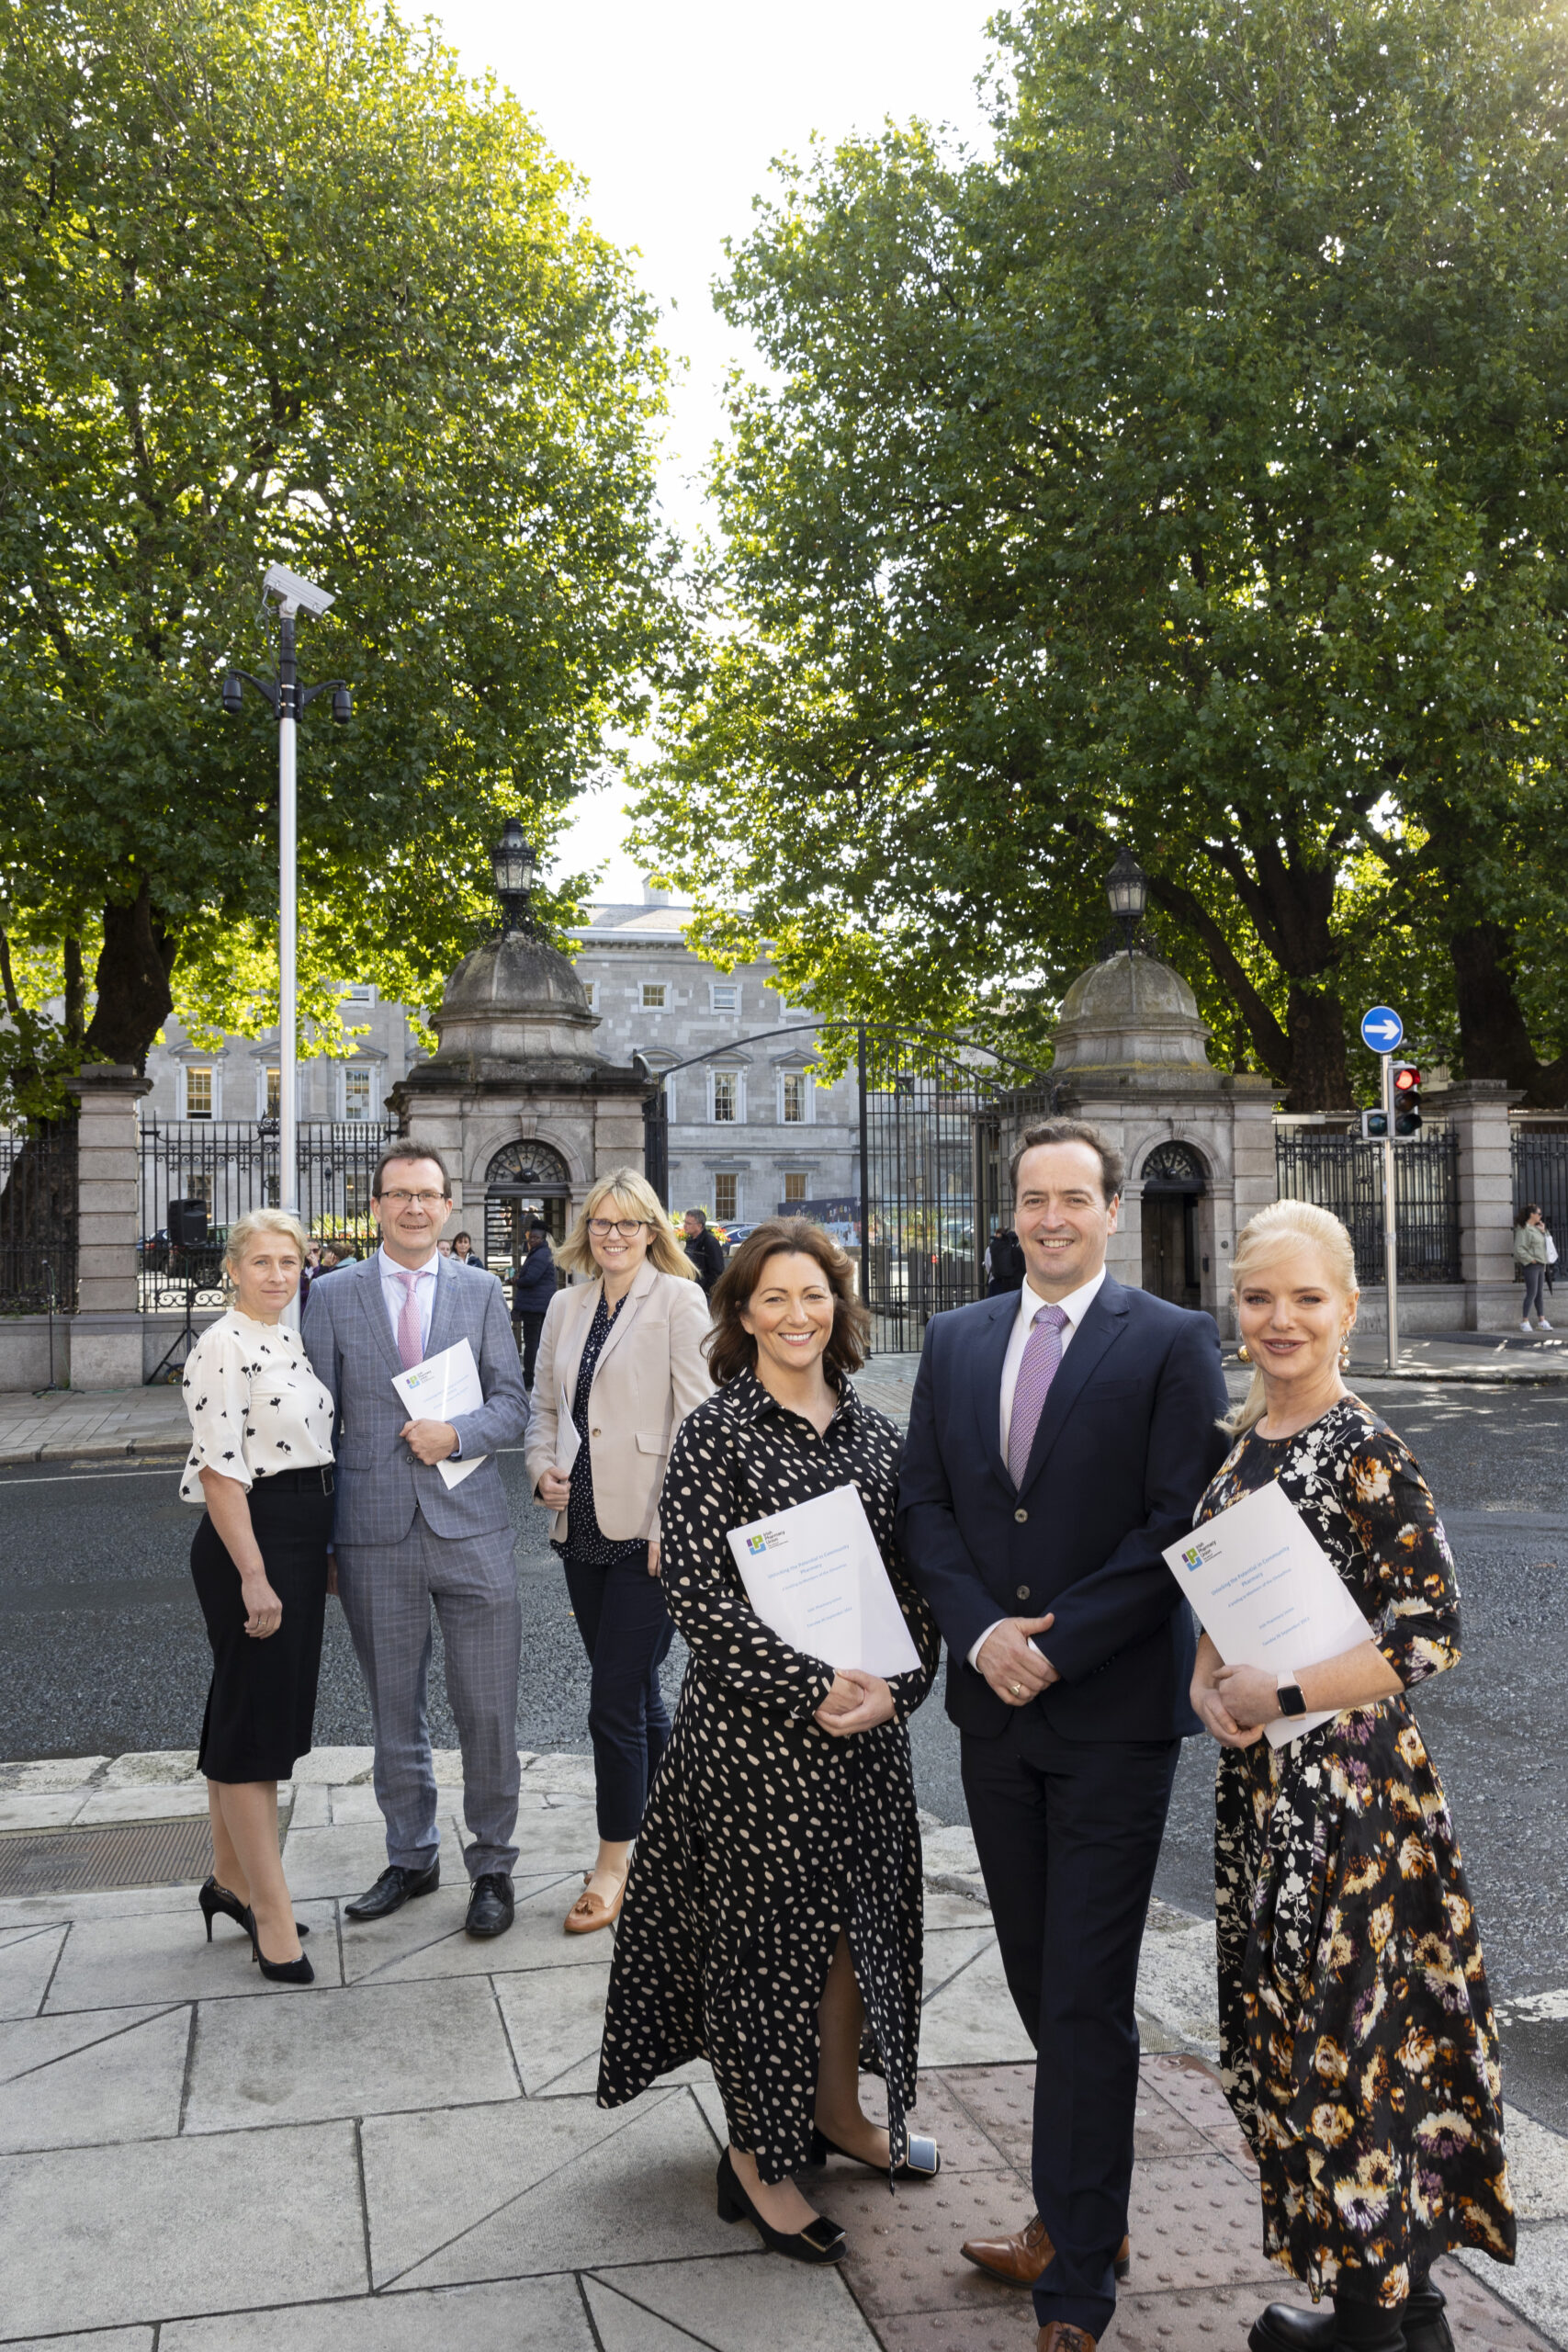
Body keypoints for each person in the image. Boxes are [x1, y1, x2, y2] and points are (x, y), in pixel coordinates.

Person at [896, 1117, 1230, 2352]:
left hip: (1106, 1720)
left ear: (1108, 1209)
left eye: (1070, 1198)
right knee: (1039, 1981)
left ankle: (1074, 2277)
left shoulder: (1170, 1342)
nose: (1047, 1217)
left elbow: (1174, 1524)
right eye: (1030, 1198)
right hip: (993, 1714)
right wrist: (980, 1632)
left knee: (1084, 1997)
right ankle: (1078, 2207)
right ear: (1013, 1207)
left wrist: (1057, 1638)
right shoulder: (954, 1337)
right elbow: (923, 1500)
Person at [1190, 1199, 1514, 2352]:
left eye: (1306, 1297)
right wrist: (1205, 1675)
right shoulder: (1248, 1438)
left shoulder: (1364, 1444)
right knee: (1312, 2035)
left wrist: (1274, 1696)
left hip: (1351, 1801)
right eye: (1260, 1296)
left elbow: (1429, 1633)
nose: (1281, 1319)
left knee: (1355, 2041)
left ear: (1348, 1308)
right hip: (1272, 1792)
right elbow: (1221, 1592)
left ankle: (1370, 2324)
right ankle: (1406, 2310)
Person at [599, 1218, 942, 2265]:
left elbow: (918, 1586)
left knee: (852, 1938)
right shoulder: (717, 1434)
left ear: (841, 1306)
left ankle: (837, 2114)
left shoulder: (880, 1435)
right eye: (776, 1299)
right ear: (741, 1314)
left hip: (864, 1743)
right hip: (755, 1748)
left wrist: (900, 1685)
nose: (800, 1315)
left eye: (816, 1295)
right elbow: (700, 1599)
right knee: (762, 1954)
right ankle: (755, 2157)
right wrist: (812, 1683)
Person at [301, 1142, 529, 1940]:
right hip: (372, 1537)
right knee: (393, 1711)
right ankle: (411, 1855)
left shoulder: (480, 1290)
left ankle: (493, 1866)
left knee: (488, 1710)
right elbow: (314, 1427)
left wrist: (457, 1435)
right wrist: (323, 1543)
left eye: (427, 1195)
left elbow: (513, 1406)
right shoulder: (330, 1295)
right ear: (374, 1207)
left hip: (471, 1531)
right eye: (397, 1195)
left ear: (448, 1205)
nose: (413, 1208)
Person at [525, 1170, 712, 1931]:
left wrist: (677, 1523)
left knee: (610, 1701)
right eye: (601, 1223)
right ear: (585, 1230)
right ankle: (680, 1837)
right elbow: (543, 1407)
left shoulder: (677, 1299)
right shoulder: (566, 1304)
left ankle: (614, 1863)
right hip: (581, 1528)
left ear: (652, 1231)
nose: (612, 1235)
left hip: (648, 1530)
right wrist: (540, 1468)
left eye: (628, 1224)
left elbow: (700, 1423)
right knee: (635, 1696)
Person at [178, 1209, 335, 1986]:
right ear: (232, 1269)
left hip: (299, 1535)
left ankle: (231, 1882)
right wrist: (253, 1572)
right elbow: (219, 1468)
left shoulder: (286, 1338)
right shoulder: (222, 1344)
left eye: (289, 1261)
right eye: (262, 1261)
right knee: (256, 1727)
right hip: (255, 1536)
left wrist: (316, 1552)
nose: (278, 1274)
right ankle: (271, 1917)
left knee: (247, 1709)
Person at [511, 1220, 558, 1389]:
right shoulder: (541, 1252)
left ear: (544, 1238)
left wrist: (517, 1280)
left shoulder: (540, 1254)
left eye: (536, 1238)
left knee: (532, 1344)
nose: (532, 1241)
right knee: (536, 1343)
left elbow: (531, 1278)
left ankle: (529, 1378)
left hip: (535, 1307)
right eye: (531, 1238)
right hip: (538, 1305)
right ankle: (535, 1377)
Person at [1514, 1202, 1552, 1333]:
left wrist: (1544, 1231)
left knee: (1539, 1294)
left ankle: (1542, 1320)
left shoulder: (1537, 1228)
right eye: (1539, 1214)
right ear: (1532, 1215)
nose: (1541, 1216)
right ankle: (1524, 1321)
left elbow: (1548, 1244)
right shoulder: (1524, 1229)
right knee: (1532, 1293)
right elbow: (1519, 1249)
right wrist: (1532, 1260)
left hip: (1541, 1264)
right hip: (1532, 1265)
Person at [682, 1206, 726, 1295]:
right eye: (685, 1222)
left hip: (705, 1293)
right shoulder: (689, 1242)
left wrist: (705, 1289)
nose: (685, 1226)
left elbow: (717, 1271)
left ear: (699, 1226)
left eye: (688, 1223)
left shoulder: (710, 1242)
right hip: (691, 1289)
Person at [984, 1224, 1025, 1295]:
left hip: (996, 1284)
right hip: (1018, 1285)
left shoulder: (992, 1247)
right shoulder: (1021, 1246)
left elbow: (988, 1267)